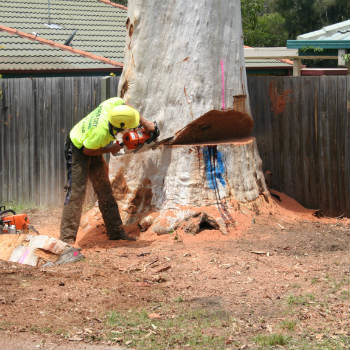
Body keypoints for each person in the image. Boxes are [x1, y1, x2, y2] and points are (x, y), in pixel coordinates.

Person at [60, 97, 157, 244]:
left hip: (92, 145)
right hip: (78, 149)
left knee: (104, 189)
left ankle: (116, 232)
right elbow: (87, 150)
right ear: (118, 127)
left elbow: (124, 103)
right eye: (127, 128)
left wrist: (145, 123)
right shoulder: (101, 132)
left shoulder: (111, 106)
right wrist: (109, 149)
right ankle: (66, 240)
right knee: (76, 192)